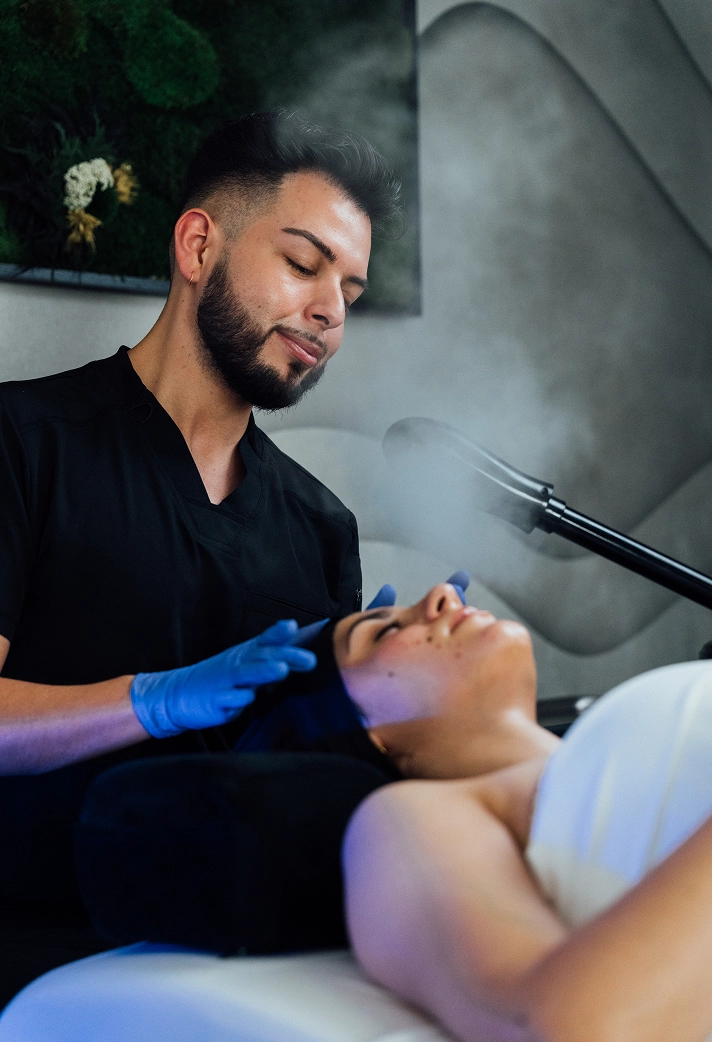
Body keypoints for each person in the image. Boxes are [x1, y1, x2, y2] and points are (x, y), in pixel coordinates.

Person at [0, 109, 420, 998]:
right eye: (304, 264)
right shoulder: (23, 445)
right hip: (41, 959)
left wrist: (382, 695)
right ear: (198, 246)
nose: (329, 311)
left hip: (251, 969)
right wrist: (154, 702)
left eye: (350, 289)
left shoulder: (318, 525)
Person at [336, 583, 712, 1042]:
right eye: (383, 632)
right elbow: (562, 1028)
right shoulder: (404, 820)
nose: (442, 595)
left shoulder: (599, 743)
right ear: (363, 734)